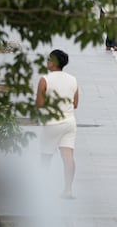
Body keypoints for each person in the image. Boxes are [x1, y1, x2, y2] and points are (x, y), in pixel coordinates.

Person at [35, 49, 79, 199]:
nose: (47, 62)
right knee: (68, 157)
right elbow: (75, 103)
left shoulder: (45, 80)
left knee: (45, 157)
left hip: (52, 123)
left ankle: (42, 189)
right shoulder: (73, 79)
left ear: (53, 63)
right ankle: (68, 190)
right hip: (69, 122)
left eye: (48, 59)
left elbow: (39, 104)